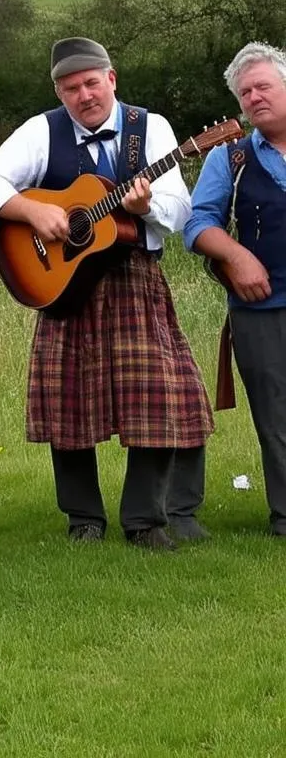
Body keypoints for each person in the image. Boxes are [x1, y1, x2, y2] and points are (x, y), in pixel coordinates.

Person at [0, 36, 212, 549]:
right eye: (71, 88)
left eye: (91, 83)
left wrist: (144, 209)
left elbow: (179, 210)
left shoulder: (152, 129)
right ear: (59, 92)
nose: (84, 96)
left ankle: (144, 521)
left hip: (132, 280)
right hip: (62, 284)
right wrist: (31, 211)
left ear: (112, 79)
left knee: (156, 397)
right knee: (67, 401)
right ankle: (83, 518)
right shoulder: (42, 130)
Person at [186, 42, 286, 537]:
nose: (253, 97)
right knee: (276, 416)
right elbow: (198, 223)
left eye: (263, 86)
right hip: (261, 306)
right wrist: (236, 254)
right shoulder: (232, 157)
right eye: (245, 92)